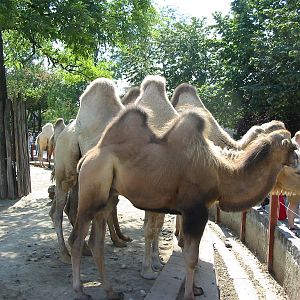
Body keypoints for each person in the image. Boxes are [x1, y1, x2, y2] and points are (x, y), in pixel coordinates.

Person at [287, 131, 300, 231]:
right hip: (293, 181)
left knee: (294, 203)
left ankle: (292, 224)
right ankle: (291, 225)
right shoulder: (293, 149)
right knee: (293, 203)